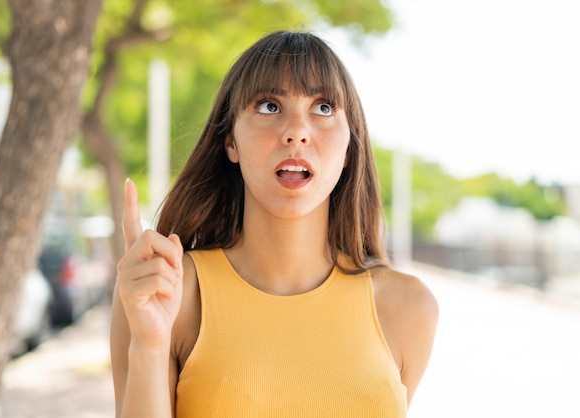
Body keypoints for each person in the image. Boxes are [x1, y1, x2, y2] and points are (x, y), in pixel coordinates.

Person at [111, 30, 438, 417]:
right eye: (269, 106)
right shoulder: (168, 290)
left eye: (324, 108)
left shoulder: (408, 308)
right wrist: (149, 347)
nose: (296, 132)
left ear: (350, 146)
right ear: (230, 141)